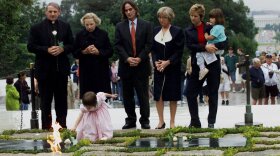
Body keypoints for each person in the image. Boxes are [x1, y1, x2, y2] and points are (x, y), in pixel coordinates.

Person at [27, 2, 74, 129]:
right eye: (50, 11)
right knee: (45, 102)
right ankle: (46, 128)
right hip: (44, 71)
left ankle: (62, 126)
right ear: (46, 12)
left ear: (59, 12)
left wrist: (62, 49)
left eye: (55, 11)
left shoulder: (65, 26)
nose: (52, 14)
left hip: (61, 70)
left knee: (61, 101)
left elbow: (72, 45)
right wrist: (46, 49)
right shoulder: (36, 27)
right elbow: (30, 46)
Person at [184, 4, 227, 128]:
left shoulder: (211, 27)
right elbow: (189, 46)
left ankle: (211, 122)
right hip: (197, 64)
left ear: (201, 16)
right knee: (190, 93)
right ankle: (195, 121)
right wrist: (204, 47)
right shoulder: (188, 30)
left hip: (213, 63)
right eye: (191, 16)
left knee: (213, 92)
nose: (192, 18)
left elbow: (224, 42)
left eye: (195, 16)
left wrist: (214, 47)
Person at [115, 0, 153, 129]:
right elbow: (118, 45)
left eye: (130, 9)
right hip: (126, 66)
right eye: (126, 10)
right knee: (127, 96)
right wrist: (127, 58)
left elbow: (149, 44)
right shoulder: (120, 26)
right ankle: (130, 120)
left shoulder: (146, 25)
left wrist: (140, 58)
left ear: (135, 10)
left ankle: (145, 120)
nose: (128, 12)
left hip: (141, 66)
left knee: (143, 95)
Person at [151, 6, 184, 129]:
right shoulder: (155, 31)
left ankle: (172, 122)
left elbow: (179, 51)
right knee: (158, 95)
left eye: (164, 17)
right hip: (159, 68)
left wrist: (168, 62)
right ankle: (161, 121)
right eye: (159, 17)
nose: (161, 20)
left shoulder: (177, 31)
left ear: (169, 18)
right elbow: (153, 50)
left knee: (172, 96)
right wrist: (155, 62)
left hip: (172, 68)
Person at [74, 12, 113, 98]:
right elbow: (74, 52)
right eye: (86, 24)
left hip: (101, 71)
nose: (89, 27)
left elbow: (110, 51)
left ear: (96, 22)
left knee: (101, 98)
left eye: (91, 24)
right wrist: (84, 51)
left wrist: (98, 52)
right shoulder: (79, 35)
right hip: (86, 71)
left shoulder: (103, 34)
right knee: (87, 99)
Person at [196, 8, 227, 80]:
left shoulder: (217, 28)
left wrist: (205, 33)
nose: (210, 19)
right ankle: (219, 73)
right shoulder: (220, 27)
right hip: (218, 47)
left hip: (215, 46)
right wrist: (210, 26)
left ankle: (202, 69)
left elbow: (210, 37)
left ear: (217, 18)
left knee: (199, 53)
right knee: (210, 59)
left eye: (212, 18)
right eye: (210, 17)